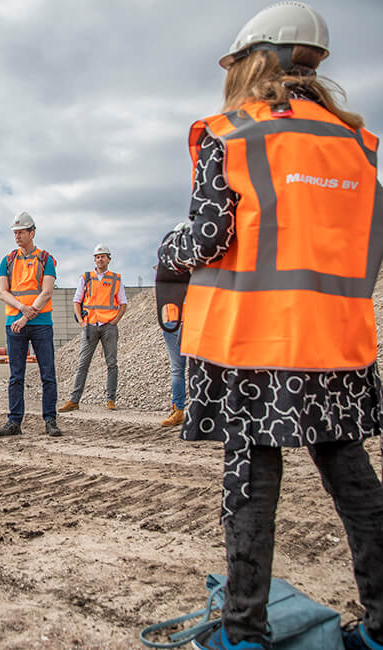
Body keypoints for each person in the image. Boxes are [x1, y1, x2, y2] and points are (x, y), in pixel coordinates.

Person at [158, 4, 383, 649]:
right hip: (335, 339)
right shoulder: (357, 146)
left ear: (253, 60)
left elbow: (206, 237)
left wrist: (168, 246)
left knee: (251, 481)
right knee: (353, 477)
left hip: (254, 342)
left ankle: (244, 633)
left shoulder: (229, 133)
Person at [0, 212, 60, 437]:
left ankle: (50, 421)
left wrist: (25, 317)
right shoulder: (8, 260)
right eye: (15, 233)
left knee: (48, 374)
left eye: (21, 232)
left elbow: (47, 291)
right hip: (15, 324)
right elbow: (3, 292)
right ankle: (14, 422)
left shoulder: (46, 259)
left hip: (40, 324)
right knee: (16, 375)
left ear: (32, 232)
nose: (17, 236)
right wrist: (21, 309)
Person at [59, 244, 127, 412]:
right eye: (97, 256)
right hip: (90, 326)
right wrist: (82, 322)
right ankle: (74, 400)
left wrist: (115, 321)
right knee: (83, 364)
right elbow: (77, 300)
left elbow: (123, 303)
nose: (100, 259)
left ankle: (111, 400)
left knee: (111, 363)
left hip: (108, 326)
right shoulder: (86, 277)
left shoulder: (116, 278)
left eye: (103, 256)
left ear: (109, 259)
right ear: (94, 259)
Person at [160, 303, 185, 427]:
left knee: (201, 371)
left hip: (195, 323)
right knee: (177, 371)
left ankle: (203, 414)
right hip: (172, 324)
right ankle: (178, 411)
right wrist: (166, 320)